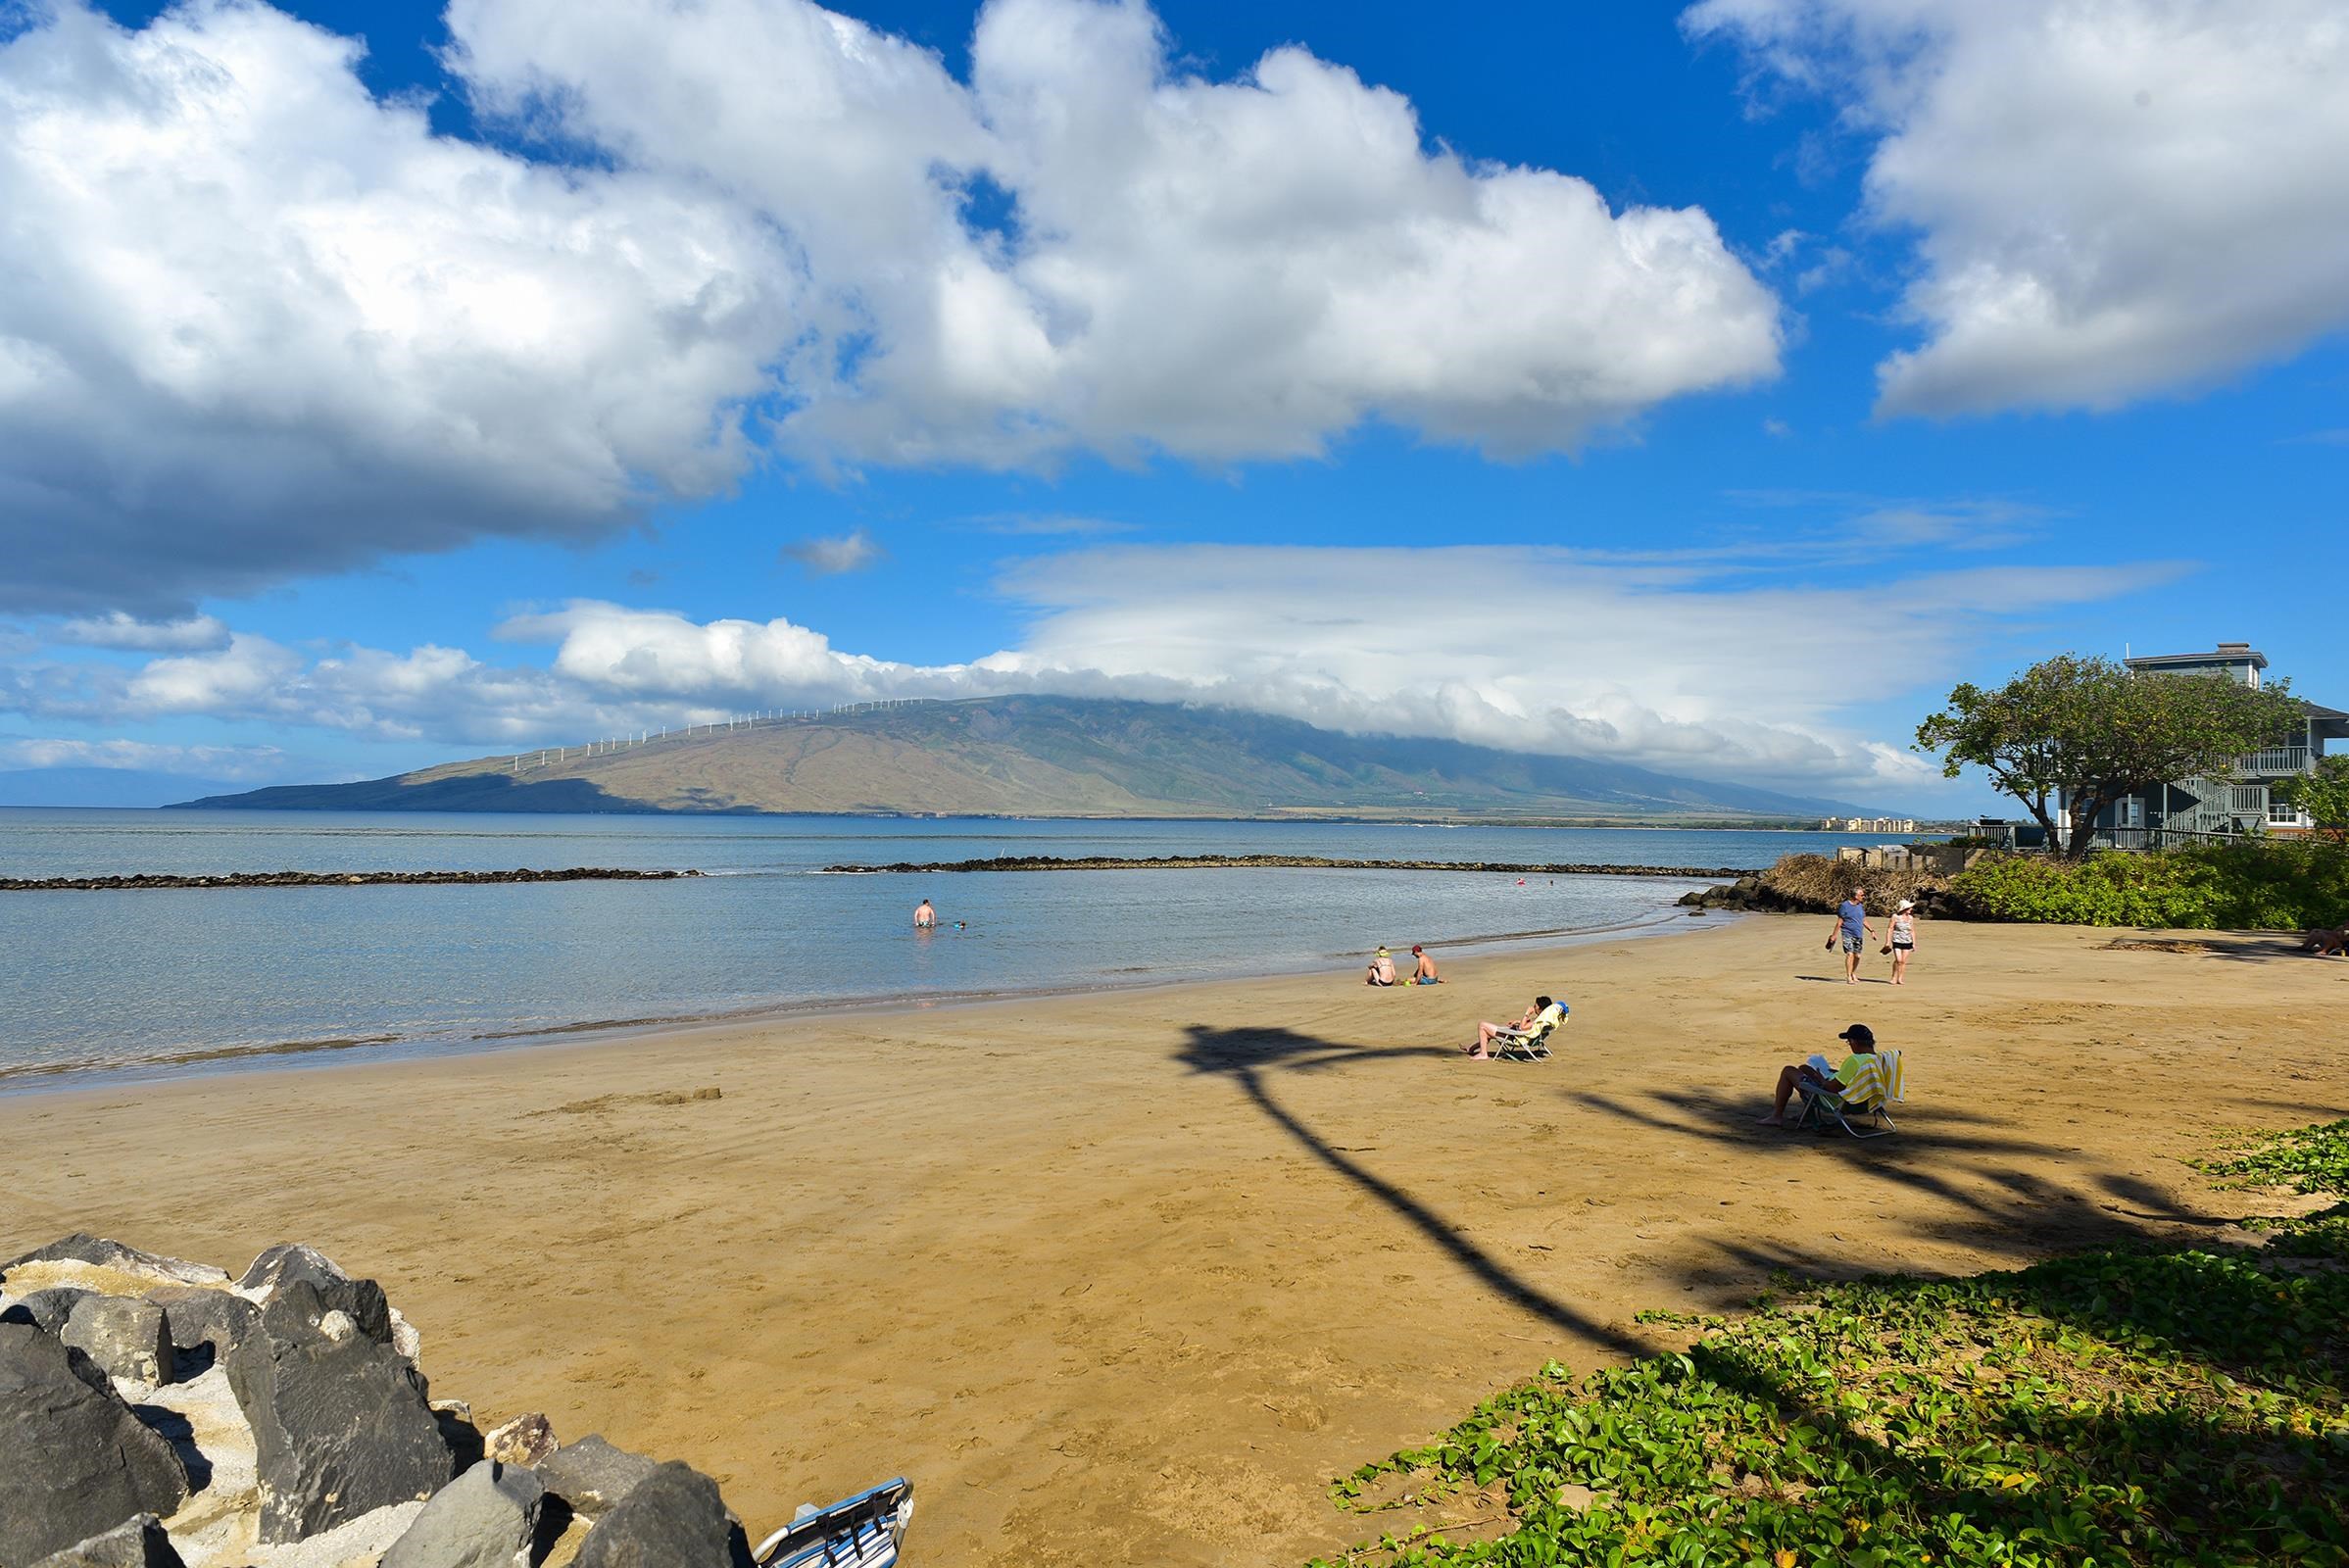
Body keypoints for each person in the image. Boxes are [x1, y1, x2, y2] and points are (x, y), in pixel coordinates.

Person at [1758, 1023, 1878, 1126]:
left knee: (1788, 1071)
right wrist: (1839, 1073)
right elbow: (1859, 1078)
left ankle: (1776, 1116)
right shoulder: (1879, 1060)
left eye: (1849, 1042)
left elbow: (1833, 1088)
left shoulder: (1855, 1060)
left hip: (1835, 1100)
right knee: (1804, 1069)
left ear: (1854, 1042)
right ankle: (1808, 1114)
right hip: (1867, 1102)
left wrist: (1821, 1080)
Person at [1468, 995, 1558, 1058]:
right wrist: (1517, 1021)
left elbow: (1523, 1028)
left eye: (1535, 1006)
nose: (1534, 1008)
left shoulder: (1538, 1020)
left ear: (1541, 1009)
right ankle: (1471, 1049)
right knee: (1486, 1033)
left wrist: (1527, 1014)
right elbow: (1528, 1026)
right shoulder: (1543, 1021)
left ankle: (1483, 1054)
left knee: (1482, 1025)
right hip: (1518, 1036)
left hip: (1515, 1038)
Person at [1824, 886, 1871, 984]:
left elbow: (1863, 920)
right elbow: (1840, 921)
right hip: (1847, 933)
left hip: (1858, 933)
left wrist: (1871, 930)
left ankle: (1853, 973)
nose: (1863, 896)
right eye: (1862, 895)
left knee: (1857, 956)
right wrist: (1834, 935)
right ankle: (1848, 976)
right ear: (1855, 895)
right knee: (1850, 954)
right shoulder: (1844, 906)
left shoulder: (1860, 906)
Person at [1884, 899, 1918, 985]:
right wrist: (1888, 942)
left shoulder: (1910, 918)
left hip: (1907, 941)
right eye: (1909, 908)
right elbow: (1890, 928)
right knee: (1898, 960)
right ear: (1904, 908)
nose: (1911, 909)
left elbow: (1912, 931)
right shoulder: (1895, 916)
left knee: (1903, 961)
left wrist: (1914, 943)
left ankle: (1900, 978)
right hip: (1897, 940)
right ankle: (1894, 977)